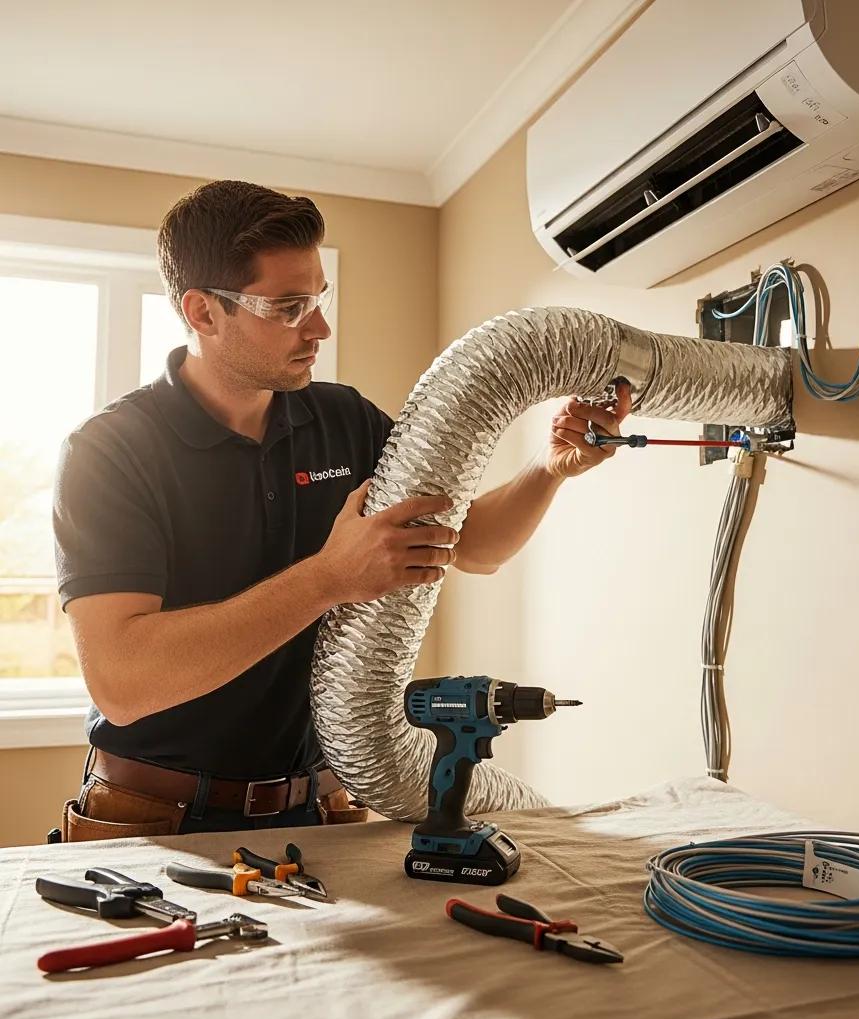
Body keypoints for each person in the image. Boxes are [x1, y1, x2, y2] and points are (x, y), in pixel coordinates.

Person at [52, 180, 631, 840]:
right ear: (204, 313)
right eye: (289, 307)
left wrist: (548, 469)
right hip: (155, 820)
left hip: (324, 811)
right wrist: (329, 578)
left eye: (318, 300)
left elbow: (473, 546)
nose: (319, 329)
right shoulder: (110, 452)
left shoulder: (344, 420)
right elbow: (125, 685)